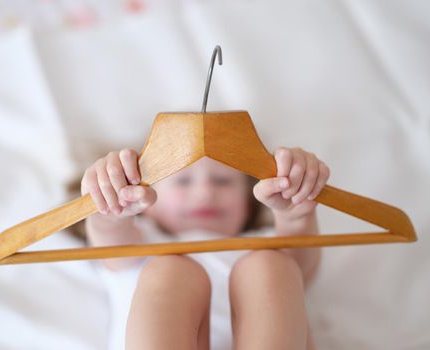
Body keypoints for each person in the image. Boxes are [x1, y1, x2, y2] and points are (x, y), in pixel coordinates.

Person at [80, 146, 330, 350]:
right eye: (183, 181)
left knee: (272, 266)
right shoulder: (141, 241)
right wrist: (109, 207)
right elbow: (110, 237)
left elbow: (301, 267)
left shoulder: (268, 241)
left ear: (249, 198)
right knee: (170, 272)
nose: (204, 193)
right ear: (146, 193)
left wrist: (295, 215)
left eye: (222, 181)